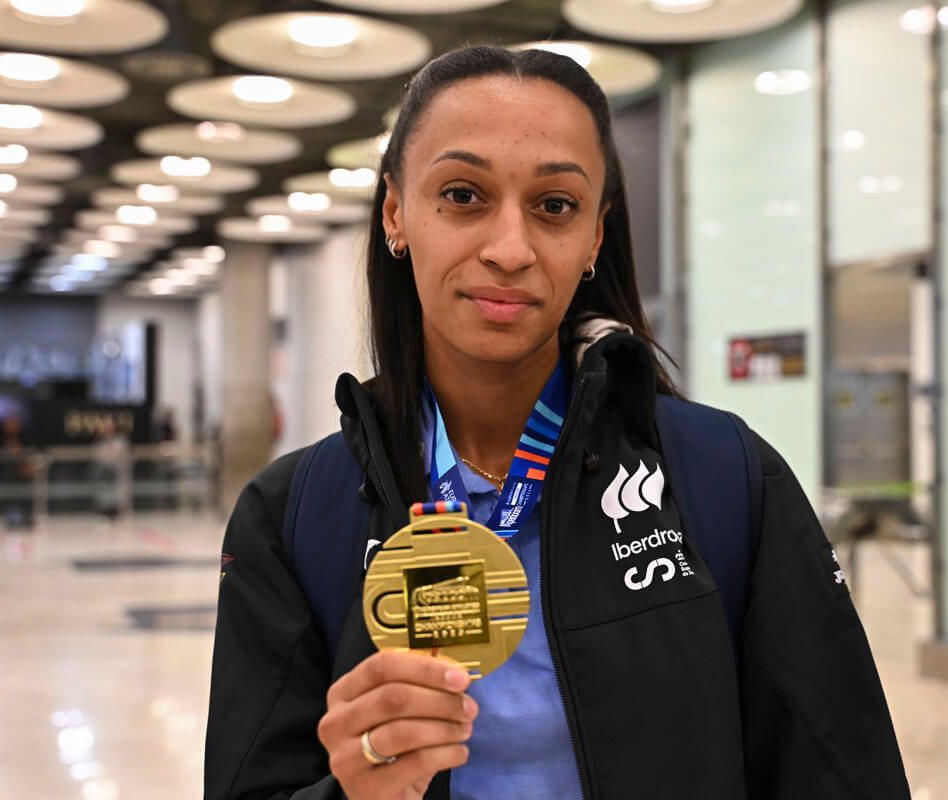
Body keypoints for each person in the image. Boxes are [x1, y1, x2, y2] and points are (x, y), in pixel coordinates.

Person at [205, 45, 909, 800]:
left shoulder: (726, 478)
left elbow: (842, 774)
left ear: (595, 237)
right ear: (395, 214)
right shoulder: (292, 518)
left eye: (555, 206)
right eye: (463, 195)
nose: (510, 249)